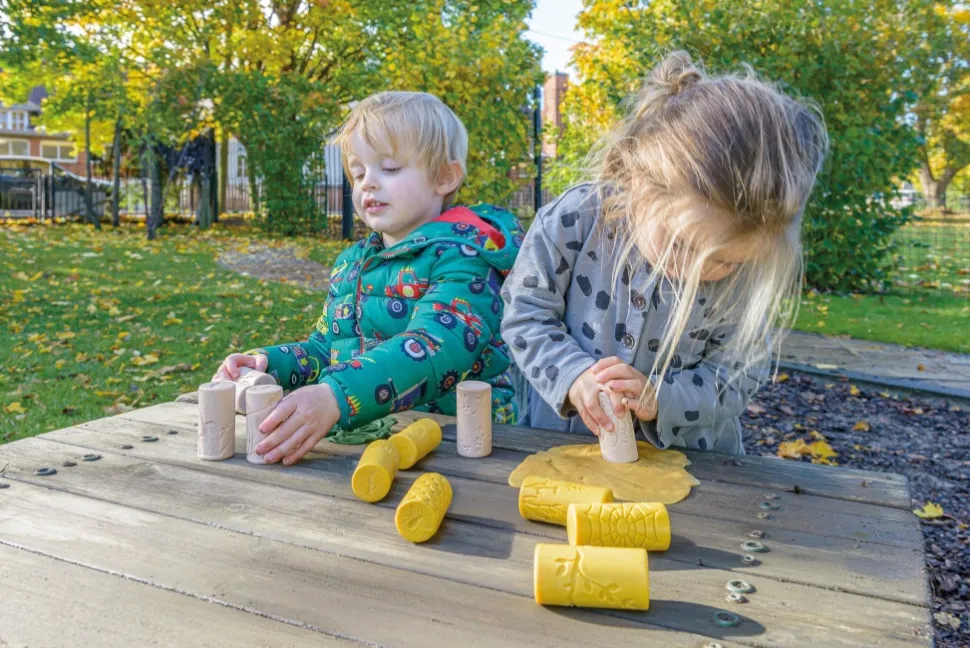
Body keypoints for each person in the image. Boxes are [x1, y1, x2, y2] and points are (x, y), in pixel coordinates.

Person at [501, 51, 828, 454]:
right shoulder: (575, 222)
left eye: (727, 261)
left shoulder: (745, 273)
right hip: (567, 449)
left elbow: (737, 375)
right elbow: (524, 315)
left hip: (696, 465)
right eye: (683, 245)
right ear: (640, 182)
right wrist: (574, 375)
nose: (698, 271)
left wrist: (661, 398)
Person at [214, 91, 522, 465]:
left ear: (444, 177)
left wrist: (335, 397)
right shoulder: (352, 264)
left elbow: (434, 347)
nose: (368, 184)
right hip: (372, 443)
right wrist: (269, 364)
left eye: (389, 168)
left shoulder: (465, 257)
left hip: (466, 449)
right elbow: (326, 349)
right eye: (358, 173)